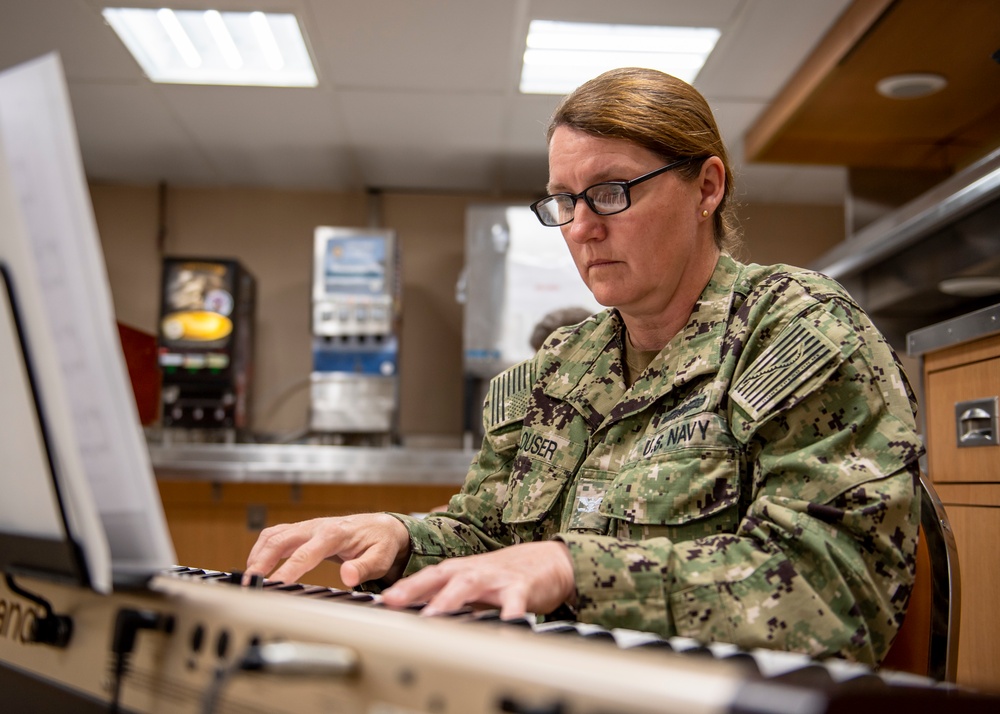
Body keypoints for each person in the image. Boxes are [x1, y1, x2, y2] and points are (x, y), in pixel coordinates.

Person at [245, 67, 923, 668]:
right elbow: (490, 537)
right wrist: (399, 538)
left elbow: (833, 593)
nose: (580, 227)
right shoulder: (559, 366)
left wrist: (574, 568)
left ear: (706, 188)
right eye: (565, 200)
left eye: (610, 192)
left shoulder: (798, 333)